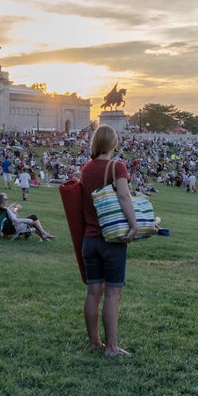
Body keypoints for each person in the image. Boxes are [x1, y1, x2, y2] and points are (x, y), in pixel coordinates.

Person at [79, 124, 138, 357]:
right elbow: (124, 196)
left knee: (93, 292)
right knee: (112, 294)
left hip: (89, 238)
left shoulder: (86, 168)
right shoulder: (117, 166)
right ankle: (111, 347)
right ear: (113, 143)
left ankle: (94, 342)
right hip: (112, 239)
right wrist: (134, 224)